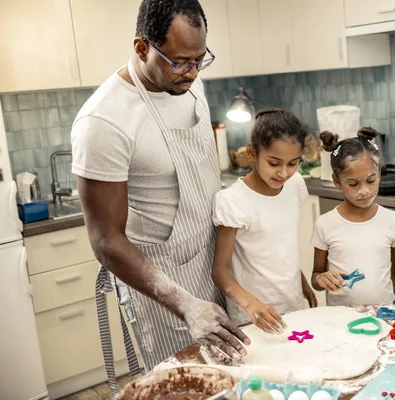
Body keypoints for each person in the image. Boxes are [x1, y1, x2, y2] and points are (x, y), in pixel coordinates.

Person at [71, 0, 248, 392]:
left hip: (215, 260)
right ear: (141, 48)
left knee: (240, 384)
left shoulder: (187, 80)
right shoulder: (103, 122)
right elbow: (105, 240)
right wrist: (186, 304)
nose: (192, 72)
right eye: (181, 61)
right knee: (190, 390)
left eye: (200, 59)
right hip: (165, 285)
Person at [211, 109, 318, 333]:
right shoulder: (234, 201)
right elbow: (220, 271)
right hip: (253, 317)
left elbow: (281, 244)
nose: (283, 173)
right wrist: (251, 304)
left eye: (292, 163)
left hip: (292, 305)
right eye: (274, 162)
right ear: (252, 153)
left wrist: (302, 282)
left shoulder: (294, 185)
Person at [311, 127, 395, 306]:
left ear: (379, 174)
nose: (364, 191)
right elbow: (316, 278)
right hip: (340, 318)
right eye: (353, 183)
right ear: (337, 181)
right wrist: (321, 279)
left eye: (371, 180)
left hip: (382, 315)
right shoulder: (325, 224)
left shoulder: (393, 221)